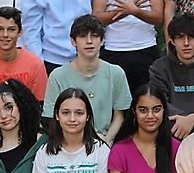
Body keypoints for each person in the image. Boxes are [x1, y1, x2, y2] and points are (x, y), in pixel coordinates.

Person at [42, 15, 131, 144]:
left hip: (106, 142)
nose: (89, 41)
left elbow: (119, 116)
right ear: (73, 41)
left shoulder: (116, 73)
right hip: (68, 143)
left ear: (102, 40)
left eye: (94, 36)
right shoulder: (57, 76)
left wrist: (106, 140)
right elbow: (53, 119)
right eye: (83, 36)